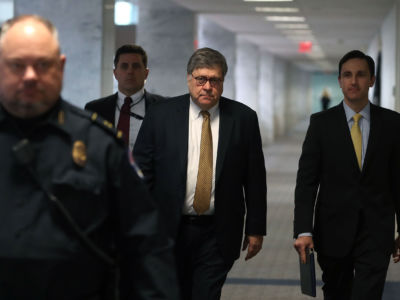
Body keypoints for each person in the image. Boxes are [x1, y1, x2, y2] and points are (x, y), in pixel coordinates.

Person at [0, 15, 179, 300]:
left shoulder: (99, 144)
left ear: (61, 67)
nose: (30, 75)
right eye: (17, 65)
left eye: (42, 64)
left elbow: (146, 245)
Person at [133, 47, 267, 300]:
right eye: (201, 79)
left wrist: (256, 228)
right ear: (189, 79)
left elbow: (255, 179)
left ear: (223, 83)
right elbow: (142, 175)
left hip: (218, 232)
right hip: (170, 229)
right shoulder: (161, 116)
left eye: (214, 80)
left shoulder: (243, 119)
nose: (207, 86)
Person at [293, 50, 400, 300]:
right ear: (339, 80)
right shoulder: (321, 124)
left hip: (376, 233)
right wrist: (303, 230)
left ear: (372, 79)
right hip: (332, 232)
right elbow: (307, 182)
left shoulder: (393, 124)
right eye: (347, 75)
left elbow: (398, 180)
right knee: (336, 294)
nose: (354, 81)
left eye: (361, 75)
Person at [85, 44, 165, 150]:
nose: (130, 71)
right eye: (124, 66)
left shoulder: (164, 108)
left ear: (146, 73)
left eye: (136, 66)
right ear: (115, 73)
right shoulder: (94, 109)